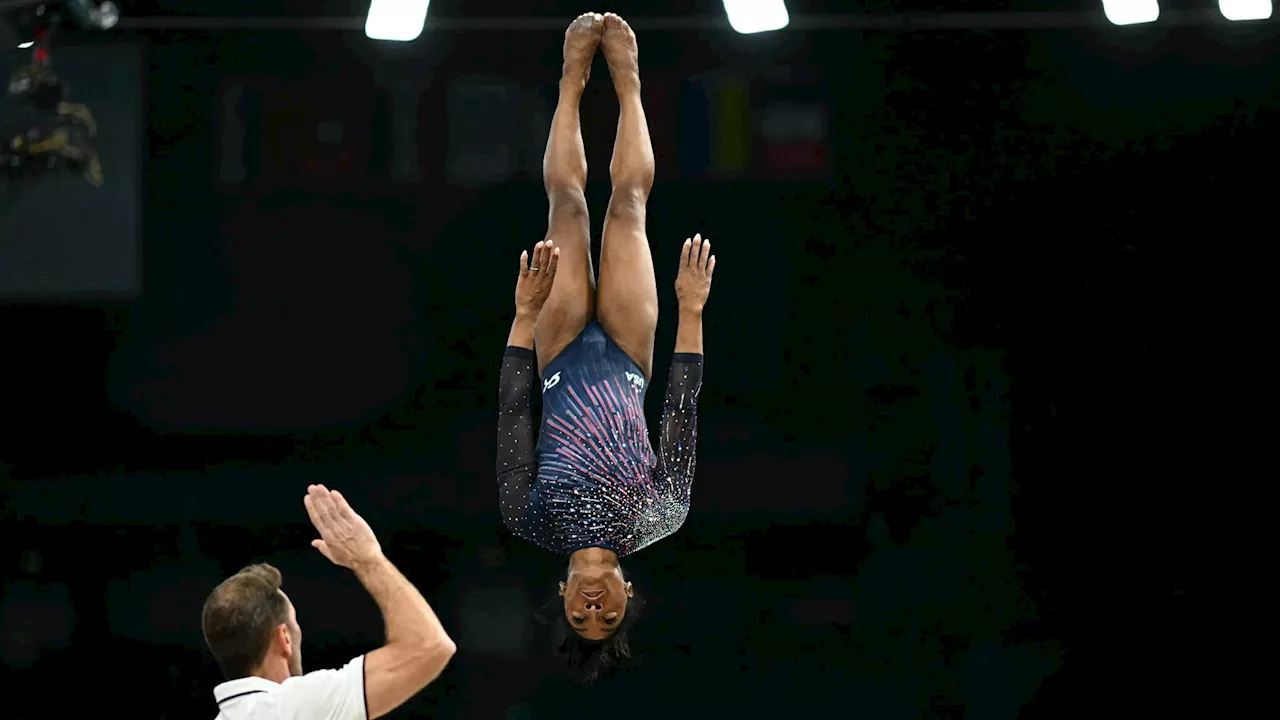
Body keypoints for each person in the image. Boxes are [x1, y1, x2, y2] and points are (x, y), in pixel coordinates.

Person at [496, 12, 716, 682]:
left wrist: (524, 317)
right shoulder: (663, 516)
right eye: (609, 618)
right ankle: (627, 86)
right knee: (626, 208)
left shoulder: (528, 519)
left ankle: (569, 85)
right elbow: (680, 409)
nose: (594, 608)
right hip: (628, 355)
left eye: (580, 618)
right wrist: (691, 310)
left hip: (557, 355)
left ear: (560, 599)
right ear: (630, 599)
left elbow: (513, 413)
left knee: (567, 208)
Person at [201, 484, 456, 719]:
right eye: (294, 624)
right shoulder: (294, 707)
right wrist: (367, 559)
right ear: (284, 638)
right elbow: (429, 646)